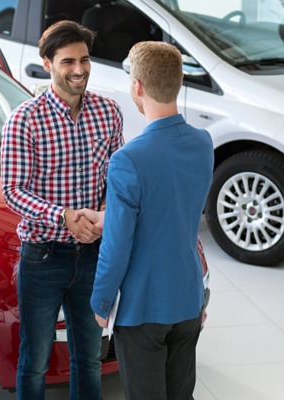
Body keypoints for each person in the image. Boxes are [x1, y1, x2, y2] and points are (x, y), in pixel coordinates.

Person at [80, 41, 214, 400]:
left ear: (136, 86)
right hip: (188, 297)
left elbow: (118, 244)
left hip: (143, 308)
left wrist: (101, 301)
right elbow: (171, 206)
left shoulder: (128, 159)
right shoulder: (203, 143)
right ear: (178, 82)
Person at [0, 20, 123, 400]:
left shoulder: (108, 112)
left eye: (84, 60)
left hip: (94, 255)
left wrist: (99, 219)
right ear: (47, 61)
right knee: (34, 360)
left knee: (89, 357)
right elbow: (13, 191)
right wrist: (66, 217)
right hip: (43, 256)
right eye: (68, 61)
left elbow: (118, 180)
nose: (79, 70)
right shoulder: (25, 120)